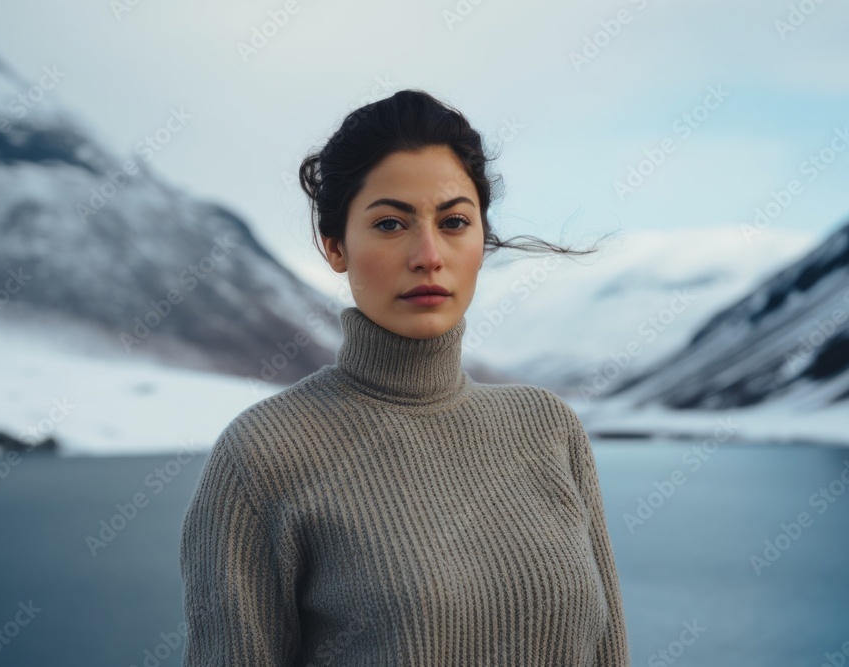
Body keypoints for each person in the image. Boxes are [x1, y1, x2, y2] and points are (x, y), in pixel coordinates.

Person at [179, 88, 630, 666]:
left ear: (482, 239)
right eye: (391, 223)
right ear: (336, 246)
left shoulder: (547, 428)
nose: (428, 254)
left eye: (455, 222)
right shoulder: (262, 456)